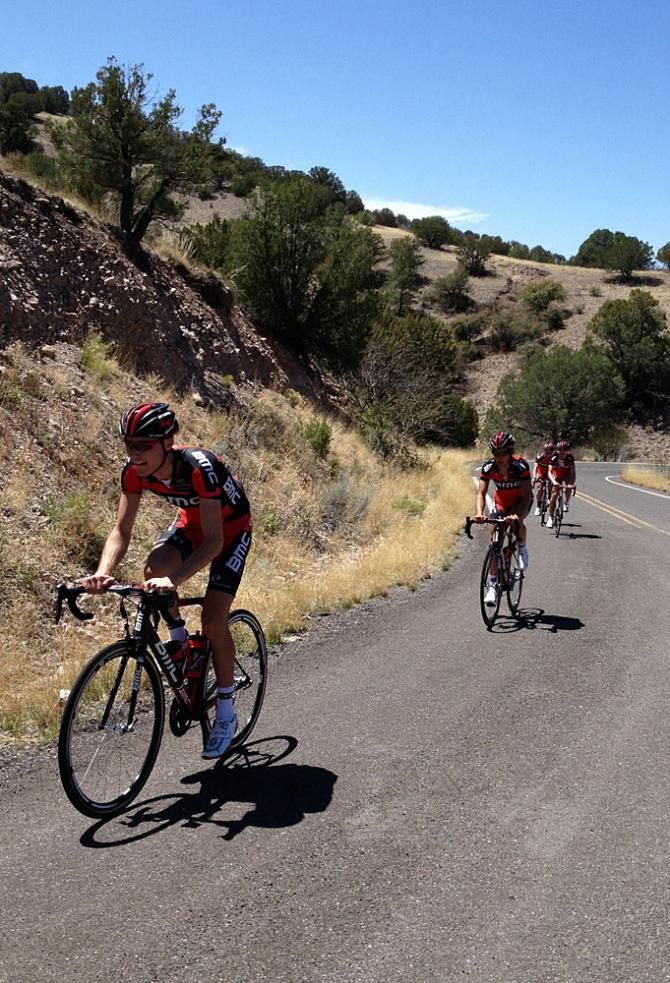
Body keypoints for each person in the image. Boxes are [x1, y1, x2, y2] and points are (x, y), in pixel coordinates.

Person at [79, 402, 253, 760]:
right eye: (129, 444)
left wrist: (173, 579)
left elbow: (215, 543)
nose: (134, 453)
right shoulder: (133, 472)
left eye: (143, 445)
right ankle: (182, 647)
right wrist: (103, 571)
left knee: (213, 619)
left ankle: (224, 711)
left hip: (230, 532)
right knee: (151, 570)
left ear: (167, 442)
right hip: (192, 525)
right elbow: (121, 531)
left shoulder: (200, 467)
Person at [475, 431, 533, 606]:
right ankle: (493, 586)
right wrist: (479, 513)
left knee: (517, 522)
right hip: (501, 502)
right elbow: (481, 493)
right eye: (496, 453)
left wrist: (516, 514)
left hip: (520, 502)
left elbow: (527, 495)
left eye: (503, 453)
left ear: (510, 452)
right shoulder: (489, 467)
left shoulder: (520, 466)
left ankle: (522, 548)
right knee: (494, 539)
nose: (499, 457)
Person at [547, 438, 576, 528]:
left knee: (568, 486)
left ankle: (566, 502)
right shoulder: (553, 457)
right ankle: (550, 518)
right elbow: (549, 472)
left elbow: (572, 472)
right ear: (557, 450)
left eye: (564, 451)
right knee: (554, 496)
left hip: (566, 474)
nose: (562, 453)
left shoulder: (570, 458)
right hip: (556, 475)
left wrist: (571, 483)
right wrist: (554, 482)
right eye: (560, 451)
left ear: (567, 451)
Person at [532, 440, 554, 516]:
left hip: (549, 473)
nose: (548, 454)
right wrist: (534, 477)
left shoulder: (554, 458)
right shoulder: (539, 457)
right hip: (540, 473)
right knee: (539, 488)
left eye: (550, 453)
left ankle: (549, 498)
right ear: (544, 451)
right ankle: (538, 506)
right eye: (546, 452)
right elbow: (535, 468)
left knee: (550, 484)